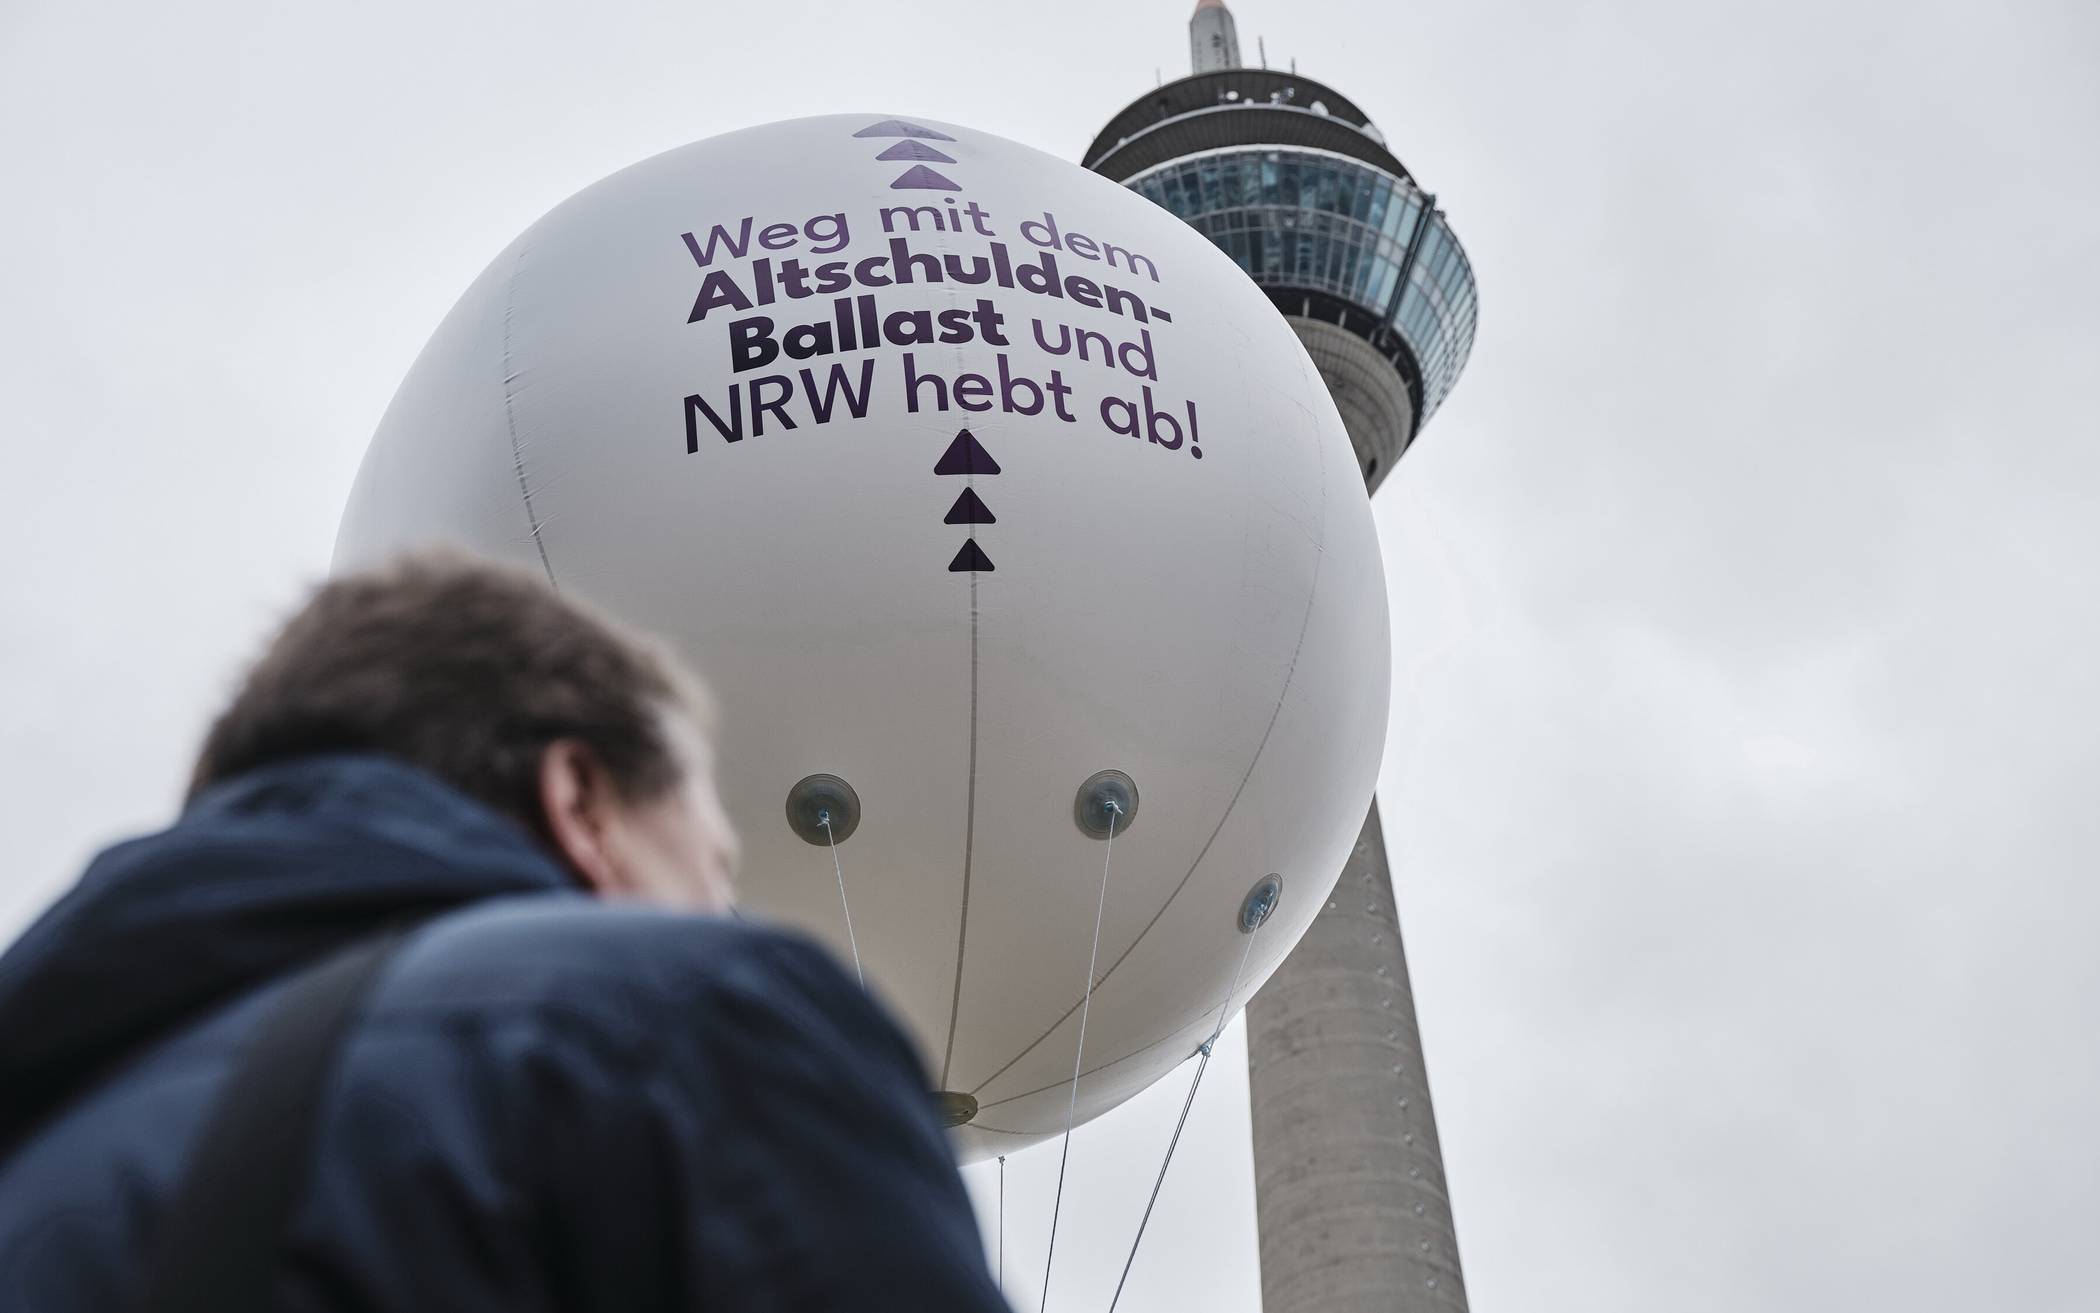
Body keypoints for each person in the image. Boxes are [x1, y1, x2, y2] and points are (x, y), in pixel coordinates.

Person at [0, 552, 1010, 1311]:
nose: (721, 908)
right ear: (580, 800)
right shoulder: (673, 1020)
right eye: (712, 865)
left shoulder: (46, 1142)